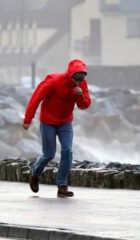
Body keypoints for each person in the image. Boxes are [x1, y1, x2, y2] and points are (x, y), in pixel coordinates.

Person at [23, 59, 91, 197]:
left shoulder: (81, 84)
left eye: (81, 79)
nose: (78, 82)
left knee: (67, 151)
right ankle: (35, 174)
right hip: (48, 122)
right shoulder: (54, 81)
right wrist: (28, 119)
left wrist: (80, 95)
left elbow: (84, 105)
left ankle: (62, 186)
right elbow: (36, 98)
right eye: (76, 79)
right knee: (49, 154)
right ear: (71, 74)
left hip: (65, 122)